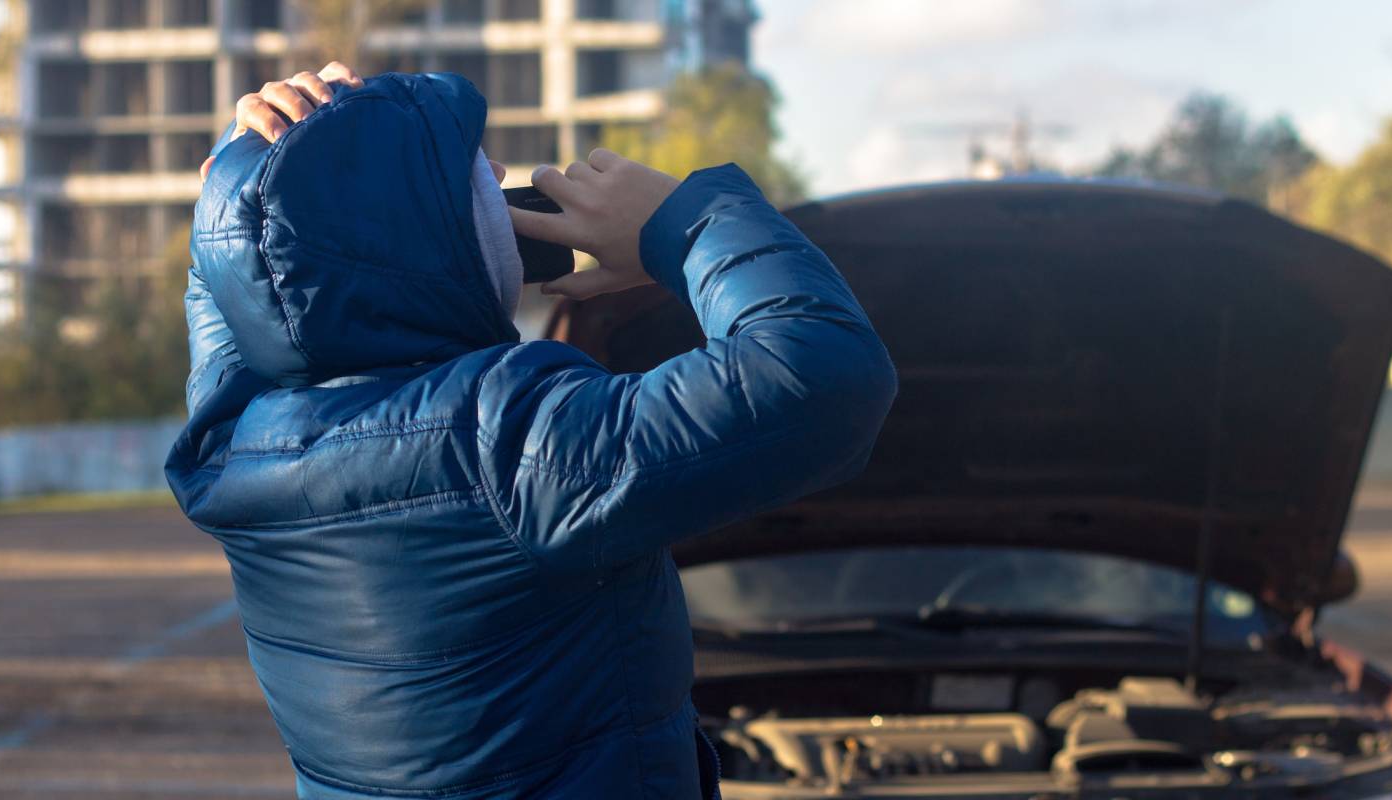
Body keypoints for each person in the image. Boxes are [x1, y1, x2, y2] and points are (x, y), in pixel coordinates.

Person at [167, 62, 896, 799]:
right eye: (474, 170)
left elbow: (236, 285)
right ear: (416, 234)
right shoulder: (508, 446)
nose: (507, 172)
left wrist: (247, 171)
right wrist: (681, 221)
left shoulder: (236, 440)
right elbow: (822, 377)